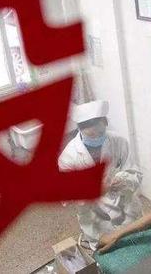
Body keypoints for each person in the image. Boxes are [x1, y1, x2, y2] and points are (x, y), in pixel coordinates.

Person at [58, 100, 143, 250]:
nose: (97, 137)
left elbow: (136, 174)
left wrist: (122, 179)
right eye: (91, 134)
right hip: (96, 220)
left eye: (101, 132)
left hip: (127, 210)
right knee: (108, 253)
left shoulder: (119, 142)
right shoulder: (68, 157)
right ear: (80, 130)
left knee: (138, 247)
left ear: (106, 124)